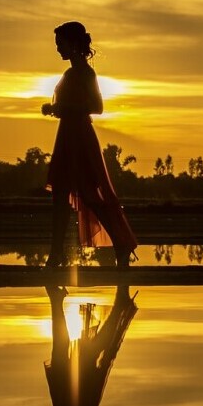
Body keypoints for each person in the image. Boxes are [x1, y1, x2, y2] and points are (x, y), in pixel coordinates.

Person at [42, 21, 138, 268]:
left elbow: (97, 107)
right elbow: (69, 106)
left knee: (90, 195)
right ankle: (56, 254)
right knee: (60, 196)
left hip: (80, 137)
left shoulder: (86, 73)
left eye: (60, 44)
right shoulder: (70, 74)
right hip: (67, 135)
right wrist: (55, 109)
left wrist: (62, 108)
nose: (58, 49)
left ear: (73, 44)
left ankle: (122, 242)